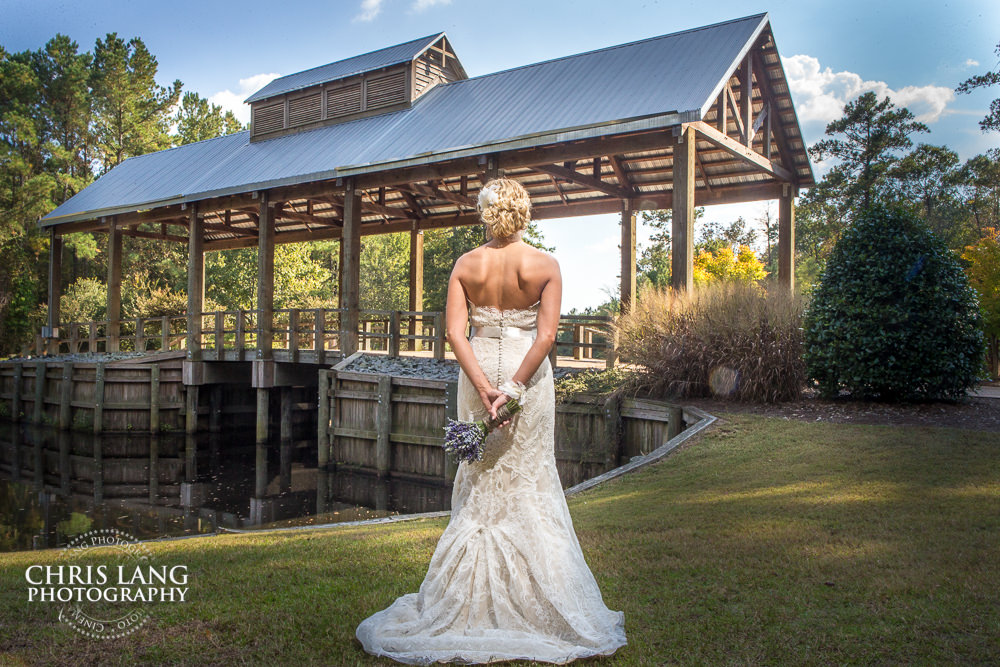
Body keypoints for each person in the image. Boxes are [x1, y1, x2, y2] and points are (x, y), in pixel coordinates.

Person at [355, 177, 627, 664]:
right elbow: (545, 339)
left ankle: (465, 600)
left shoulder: (466, 264)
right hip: (527, 373)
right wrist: (516, 389)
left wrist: (483, 387)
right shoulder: (545, 265)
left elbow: (456, 334)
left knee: (479, 481)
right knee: (529, 479)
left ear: (486, 213)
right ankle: (538, 599)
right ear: (524, 214)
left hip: (478, 368)